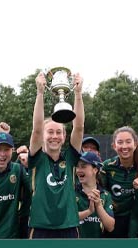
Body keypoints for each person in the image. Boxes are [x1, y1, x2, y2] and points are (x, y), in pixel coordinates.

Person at [28, 71, 84, 239]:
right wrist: (39, 93)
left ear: (64, 137)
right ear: (44, 136)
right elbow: (36, 129)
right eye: (50, 132)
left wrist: (78, 93)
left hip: (69, 225)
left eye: (58, 132)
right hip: (40, 227)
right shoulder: (37, 158)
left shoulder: (70, 158)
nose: (54, 136)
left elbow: (79, 127)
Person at [101, 126, 138, 238]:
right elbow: (101, 189)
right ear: (114, 146)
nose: (124, 146)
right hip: (114, 219)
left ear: (135, 144)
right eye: (120, 142)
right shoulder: (107, 166)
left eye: (128, 142)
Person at [75, 151, 114, 238]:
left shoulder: (105, 195)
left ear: (95, 170)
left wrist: (99, 206)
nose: (78, 170)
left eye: (83, 166)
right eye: (77, 166)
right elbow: (67, 218)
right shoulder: (71, 192)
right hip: (75, 246)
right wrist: (89, 211)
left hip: (98, 247)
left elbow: (110, 227)